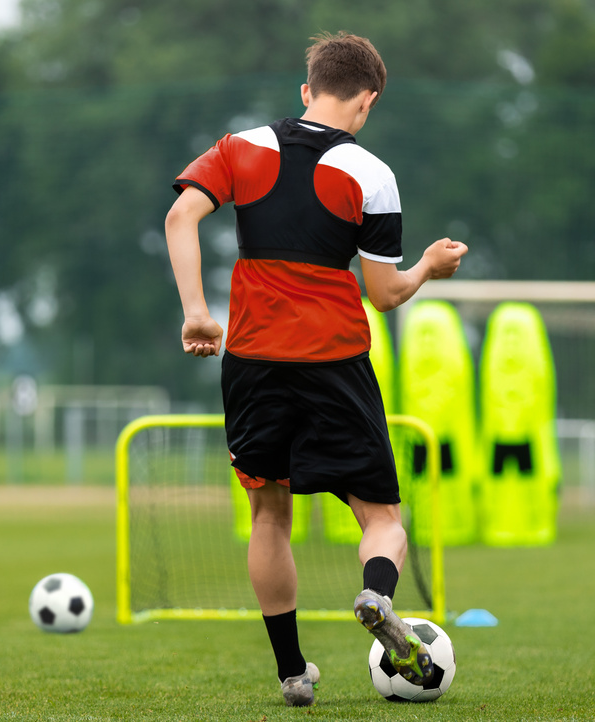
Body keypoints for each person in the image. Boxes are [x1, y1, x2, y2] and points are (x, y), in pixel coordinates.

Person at [163, 31, 468, 707]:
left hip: (250, 360)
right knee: (381, 517)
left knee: (268, 516)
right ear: (368, 101)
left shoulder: (238, 147)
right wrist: (430, 265)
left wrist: (196, 312)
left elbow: (180, 214)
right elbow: (384, 296)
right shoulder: (372, 173)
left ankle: (292, 673)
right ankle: (376, 595)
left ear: (307, 91)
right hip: (332, 361)